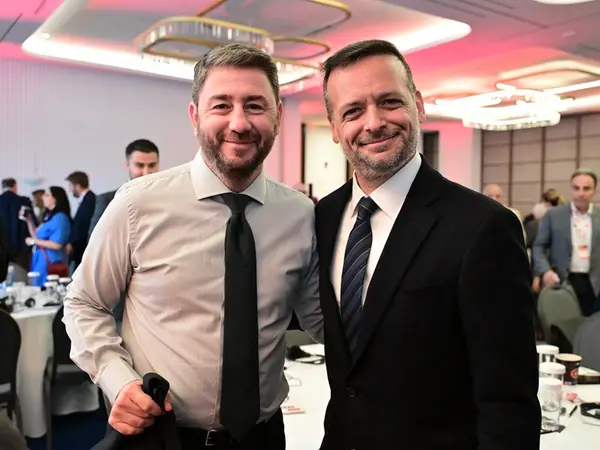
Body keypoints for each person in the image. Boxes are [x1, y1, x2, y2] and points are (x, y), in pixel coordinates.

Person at [63, 43, 323, 450]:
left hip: (263, 437)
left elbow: (320, 318)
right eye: (221, 105)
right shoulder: (137, 204)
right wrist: (118, 379)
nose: (239, 123)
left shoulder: (300, 214)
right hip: (162, 436)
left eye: (255, 106)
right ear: (195, 115)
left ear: (278, 114)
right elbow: (84, 302)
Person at [314, 40, 540, 450]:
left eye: (389, 102)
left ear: (418, 105)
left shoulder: (483, 227)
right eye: (353, 111)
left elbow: (508, 401)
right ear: (333, 127)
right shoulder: (323, 217)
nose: (373, 123)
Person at [533, 168, 600, 316]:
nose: (581, 193)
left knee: (592, 326)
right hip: (562, 280)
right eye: (576, 188)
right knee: (564, 323)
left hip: (594, 282)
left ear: (594, 191)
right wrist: (545, 271)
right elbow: (538, 246)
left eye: (586, 188)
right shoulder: (554, 215)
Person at [88, 139, 160, 240]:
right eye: (140, 165)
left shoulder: (169, 198)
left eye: (152, 165)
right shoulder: (108, 200)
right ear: (127, 165)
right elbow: (95, 241)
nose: (146, 172)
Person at [23, 187, 71, 286]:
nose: (43, 198)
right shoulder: (48, 216)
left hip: (51, 260)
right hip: (40, 259)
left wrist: (34, 241)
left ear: (55, 199)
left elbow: (57, 244)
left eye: (47, 195)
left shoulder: (60, 218)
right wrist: (28, 219)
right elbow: (36, 235)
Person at [0, 178, 33, 282]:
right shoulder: (24, 202)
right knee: (21, 281)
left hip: (1, 249)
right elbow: (32, 223)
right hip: (21, 248)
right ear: (15, 186)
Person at [65, 171, 96, 271]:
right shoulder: (87, 199)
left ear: (77, 186)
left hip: (83, 249)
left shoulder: (89, 200)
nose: (70, 190)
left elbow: (83, 226)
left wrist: (73, 243)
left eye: (70, 186)